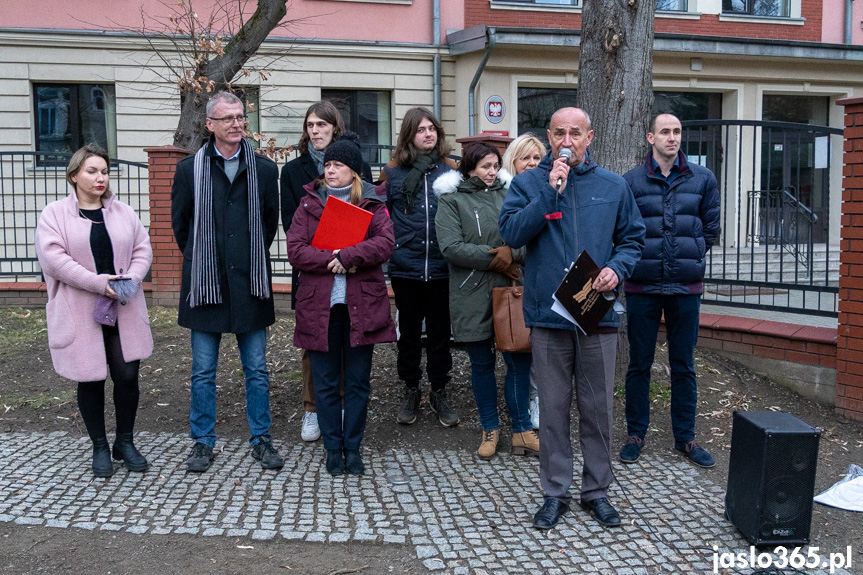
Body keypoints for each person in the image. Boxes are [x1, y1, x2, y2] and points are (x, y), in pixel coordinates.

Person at [499, 107, 645, 530]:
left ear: (590, 136)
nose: (567, 140)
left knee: (598, 409)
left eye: (575, 133)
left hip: (597, 315)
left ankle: (596, 492)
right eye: (559, 133)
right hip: (548, 317)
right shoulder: (529, 184)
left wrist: (617, 268)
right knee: (555, 409)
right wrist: (548, 193)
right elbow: (510, 235)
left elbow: (633, 238)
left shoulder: (613, 186)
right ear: (549, 136)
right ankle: (554, 492)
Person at [171, 91, 283, 472]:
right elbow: (180, 226)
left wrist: (245, 259)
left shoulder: (265, 170)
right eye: (228, 118)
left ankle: (262, 440)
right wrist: (207, 261)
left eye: (240, 116)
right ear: (210, 125)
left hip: (249, 284)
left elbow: (268, 223)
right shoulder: (189, 170)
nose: (237, 123)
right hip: (205, 288)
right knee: (203, 372)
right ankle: (202, 442)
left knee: (257, 369)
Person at [35, 144, 153, 478]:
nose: (100, 177)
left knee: (128, 376)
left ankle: (124, 442)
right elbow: (54, 259)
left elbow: (143, 249)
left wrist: (130, 279)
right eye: (92, 171)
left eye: (104, 171)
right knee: (90, 378)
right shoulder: (55, 214)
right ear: (74, 176)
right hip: (81, 307)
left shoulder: (123, 212)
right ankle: (99, 446)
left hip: (123, 305)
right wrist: (98, 283)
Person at [286, 132, 396, 475]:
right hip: (320, 308)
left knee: (359, 382)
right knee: (326, 382)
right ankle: (333, 448)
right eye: (328, 164)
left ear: (354, 171)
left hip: (361, 308)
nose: (330, 170)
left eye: (338, 165)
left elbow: (385, 243)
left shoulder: (372, 205)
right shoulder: (308, 204)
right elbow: (295, 250)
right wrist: (331, 259)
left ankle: (354, 447)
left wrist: (349, 256)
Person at [619, 112, 721, 468]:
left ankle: (686, 438)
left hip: (685, 287)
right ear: (650, 138)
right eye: (665, 131)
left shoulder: (703, 178)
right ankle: (635, 434)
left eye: (677, 131)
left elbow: (710, 230)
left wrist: (686, 258)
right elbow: (624, 231)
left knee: (684, 365)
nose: (672, 138)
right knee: (639, 364)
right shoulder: (631, 181)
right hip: (642, 286)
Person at [434, 142, 538, 460]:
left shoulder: (511, 193)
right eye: (485, 167)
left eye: (495, 166)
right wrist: (498, 256)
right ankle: (490, 429)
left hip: (510, 290)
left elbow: (527, 235)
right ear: (469, 169)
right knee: (481, 366)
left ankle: (522, 429)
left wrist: (513, 253)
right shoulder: (452, 199)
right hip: (471, 292)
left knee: (518, 362)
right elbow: (451, 247)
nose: (492, 172)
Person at [280, 101, 373, 443]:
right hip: (314, 271)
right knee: (313, 345)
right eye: (310, 125)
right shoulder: (293, 172)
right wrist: (328, 252)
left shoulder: (355, 162)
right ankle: (312, 409)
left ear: (335, 127)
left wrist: (349, 252)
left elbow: (372, 218)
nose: (315, 130)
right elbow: (294, 226)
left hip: (352, 270)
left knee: (350, 339)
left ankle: (345, 407)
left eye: (321, 124)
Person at [383, 107, 459, 427]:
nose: (428, 134)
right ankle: (411, 389)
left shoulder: (451, 170)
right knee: (410, 334)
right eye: (421, 130)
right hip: (407, 266)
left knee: (441, 334)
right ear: (409, 135)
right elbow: (383, 214)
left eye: (432, 129)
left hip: (442, 266)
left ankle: (440, 390)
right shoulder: (394, 173)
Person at [501, 133, 547, 430]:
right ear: (512, 162)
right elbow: (507, 237)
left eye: (536, 158)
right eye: (525, 158)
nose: (531, 163)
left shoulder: (552, 187)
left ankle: (540, 400)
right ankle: (525, 408)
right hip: (515, 282)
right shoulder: (506, 191)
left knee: (544, 350)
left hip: (544, 278)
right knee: (519, 349)